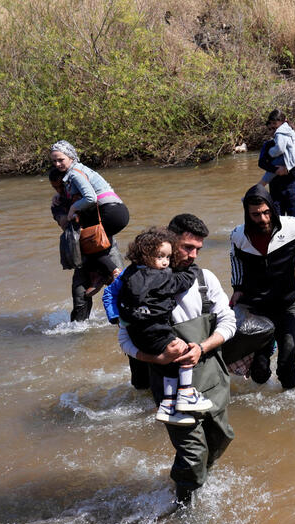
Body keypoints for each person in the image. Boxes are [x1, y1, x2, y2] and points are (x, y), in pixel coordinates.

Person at [118, 214, 236, 508]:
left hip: (213, 380)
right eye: (186, 247)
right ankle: (185, 509)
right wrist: (155, 357)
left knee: (220, 440)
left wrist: (203, 346)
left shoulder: (204, 279)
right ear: (169, 241)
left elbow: (229, 321)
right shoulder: (139, 282)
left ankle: (196, 486)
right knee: (193, 454)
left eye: (198, 249)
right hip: (170, 388)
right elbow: (125, 338)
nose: (192, 255)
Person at [229, 185, 295, 389]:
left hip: (286, 307)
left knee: (287, 370)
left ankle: (293, 414)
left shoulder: (291, 227)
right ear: (247, 215)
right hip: (256, 309)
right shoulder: (238, 236)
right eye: (256, 215)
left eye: (266, 212)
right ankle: (267, 347)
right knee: (258, 373)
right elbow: (235, 260)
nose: (263, 219)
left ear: (272, 209)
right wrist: (238, 287)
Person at [118, 226, 213, 425]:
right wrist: (194, 269)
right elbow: (182, 281)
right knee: (183, 350)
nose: (165, 262)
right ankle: (186, 394)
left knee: (169, 366)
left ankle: (168, 406)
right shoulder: (160, 277)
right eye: (160, 256)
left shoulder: (128, 274)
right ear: (144, 255)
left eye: (168, 258)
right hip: (155, 332)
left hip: (136, 333)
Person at [49, 141, 130, 320]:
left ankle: (126, 319)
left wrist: (74, 207)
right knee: (80, 298)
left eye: (62, 186)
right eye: (56, 187)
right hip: (83, 251)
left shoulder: (76, 177)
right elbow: (64, 223)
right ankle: (79, 332)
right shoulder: (59, 203)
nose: (60, 189)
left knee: (121, 287)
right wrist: (66, 208)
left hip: (102, 243)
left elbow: (92, 197)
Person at [257, 109, 295, 216]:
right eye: (270, 129)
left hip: (291, 190)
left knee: (293, 220)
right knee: (278, 221)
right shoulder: (267, 145)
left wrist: (287, 168)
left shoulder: (290, 140)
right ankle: (252, 195)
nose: (273, 130)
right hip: (275, 191)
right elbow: (261, 163)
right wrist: (277, 170)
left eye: (275, 128)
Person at [102, 268, 151, 391]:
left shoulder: (173, 271)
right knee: (141, 385)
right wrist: (116, 318)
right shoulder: (132, 272)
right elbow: (109, 293)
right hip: (134, 332)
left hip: (162, 332)